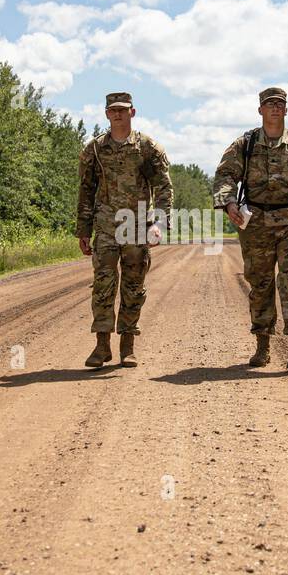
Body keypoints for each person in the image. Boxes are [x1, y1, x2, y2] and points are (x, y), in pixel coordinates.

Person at [212, 87, 288, 370]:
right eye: (270, 104)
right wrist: (229, 202)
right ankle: (262, 346)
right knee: (260, 282)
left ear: (286, 110)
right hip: (255, 222)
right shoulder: (245, 144)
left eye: (280, 104)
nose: (275, 109)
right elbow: (225, 175)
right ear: (260, 110)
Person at [75, 92, 173, 368]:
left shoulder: (147, 147)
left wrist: (159, 223)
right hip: (105, 224)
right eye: (112, 110)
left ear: (133, 112)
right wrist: (83, 229)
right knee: (103, 285)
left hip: (137, 225)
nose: (117, 114)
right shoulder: (94, 149)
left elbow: (164, 187)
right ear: (107, 114)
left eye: (122, 110)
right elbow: (85, 191)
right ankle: (102, 345)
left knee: (133, 285)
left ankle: (127, 345)